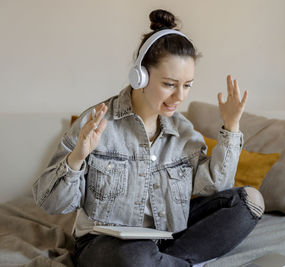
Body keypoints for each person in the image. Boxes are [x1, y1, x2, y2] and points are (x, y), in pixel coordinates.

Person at [32, 9, 265, 267]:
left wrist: (231, 127)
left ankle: (162, 262)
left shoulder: (184, 132)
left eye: (187, 85)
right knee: (136, 256)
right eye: (169, 84)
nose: (179, 97)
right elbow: (50, 202)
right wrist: (77, 156)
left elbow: (215, 187)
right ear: (140, 76)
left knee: (250, 202)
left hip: (168, 237)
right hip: (106, 245)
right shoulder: (96, 122)